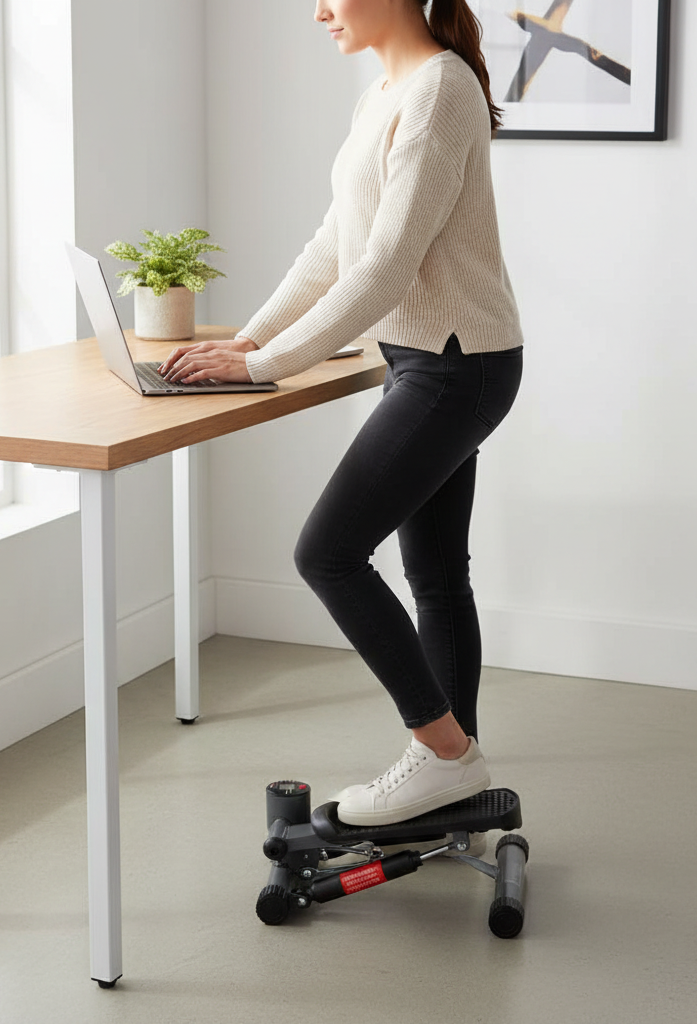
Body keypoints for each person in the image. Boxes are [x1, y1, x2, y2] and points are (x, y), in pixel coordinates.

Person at [158, 0, 524, 827]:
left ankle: (445, 754)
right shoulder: (382, 94)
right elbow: (336, 245)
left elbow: (388, 267)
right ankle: (452, 758)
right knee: (434, 575)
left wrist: (262, 367)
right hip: (429, 360)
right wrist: (247, 340)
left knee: (327, 553)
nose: (317, 10)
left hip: (457, 364)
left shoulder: (440, 89)